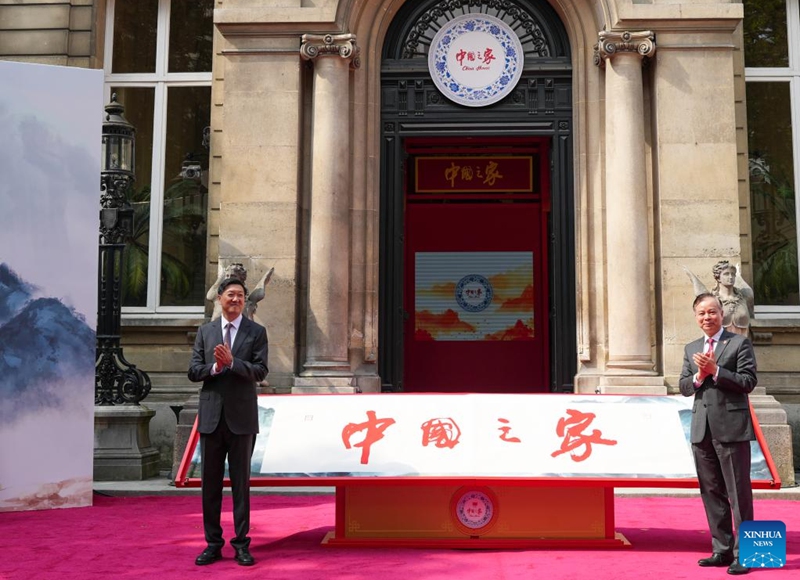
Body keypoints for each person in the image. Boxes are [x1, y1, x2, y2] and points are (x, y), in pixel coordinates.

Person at [188, 277, 269, 567]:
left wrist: (233, 363)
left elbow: (260, 371)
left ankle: (242, 544)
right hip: (211, 418)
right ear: (220, 298)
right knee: (210, 485)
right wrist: (215, 366)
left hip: (242, 419)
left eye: (240, 296)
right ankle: (212, 543)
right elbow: (193, 371)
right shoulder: (206, 332)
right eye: (231, 294)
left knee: (240, 485)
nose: (236, 299)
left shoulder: (256, 332)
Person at [679, 292, 757, 575]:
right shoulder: (691, 348)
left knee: (738, 494)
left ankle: (745, 554)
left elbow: (748, 382)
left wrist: (716, 371)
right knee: (711, 492)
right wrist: (699, 376)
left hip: (732, 429)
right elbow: (685, 387)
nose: (707, 318)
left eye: (712, 312)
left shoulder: (738, 344)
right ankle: (721, 549)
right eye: (701, 313)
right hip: (702, 431)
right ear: (696, 317)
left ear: (721, 314)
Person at [711, 261, 754, 336]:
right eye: (726, 274)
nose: (730, 277)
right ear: (718, 278)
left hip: (742, 343)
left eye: (733, 274)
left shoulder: (743, 297)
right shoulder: (712, 300)